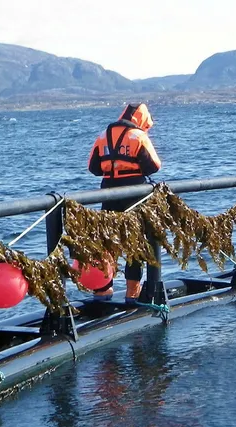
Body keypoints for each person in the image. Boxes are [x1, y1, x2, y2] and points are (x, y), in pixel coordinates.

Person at [86, 102, 162, 303]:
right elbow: (154, 166)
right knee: (134, 243)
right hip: (134, 191)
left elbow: (93, 167)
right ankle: (132, 293)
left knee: (107, 242)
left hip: (108, 192)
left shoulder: (103, 135)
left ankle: (103, 290)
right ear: (142, 119)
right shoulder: (138, 136)